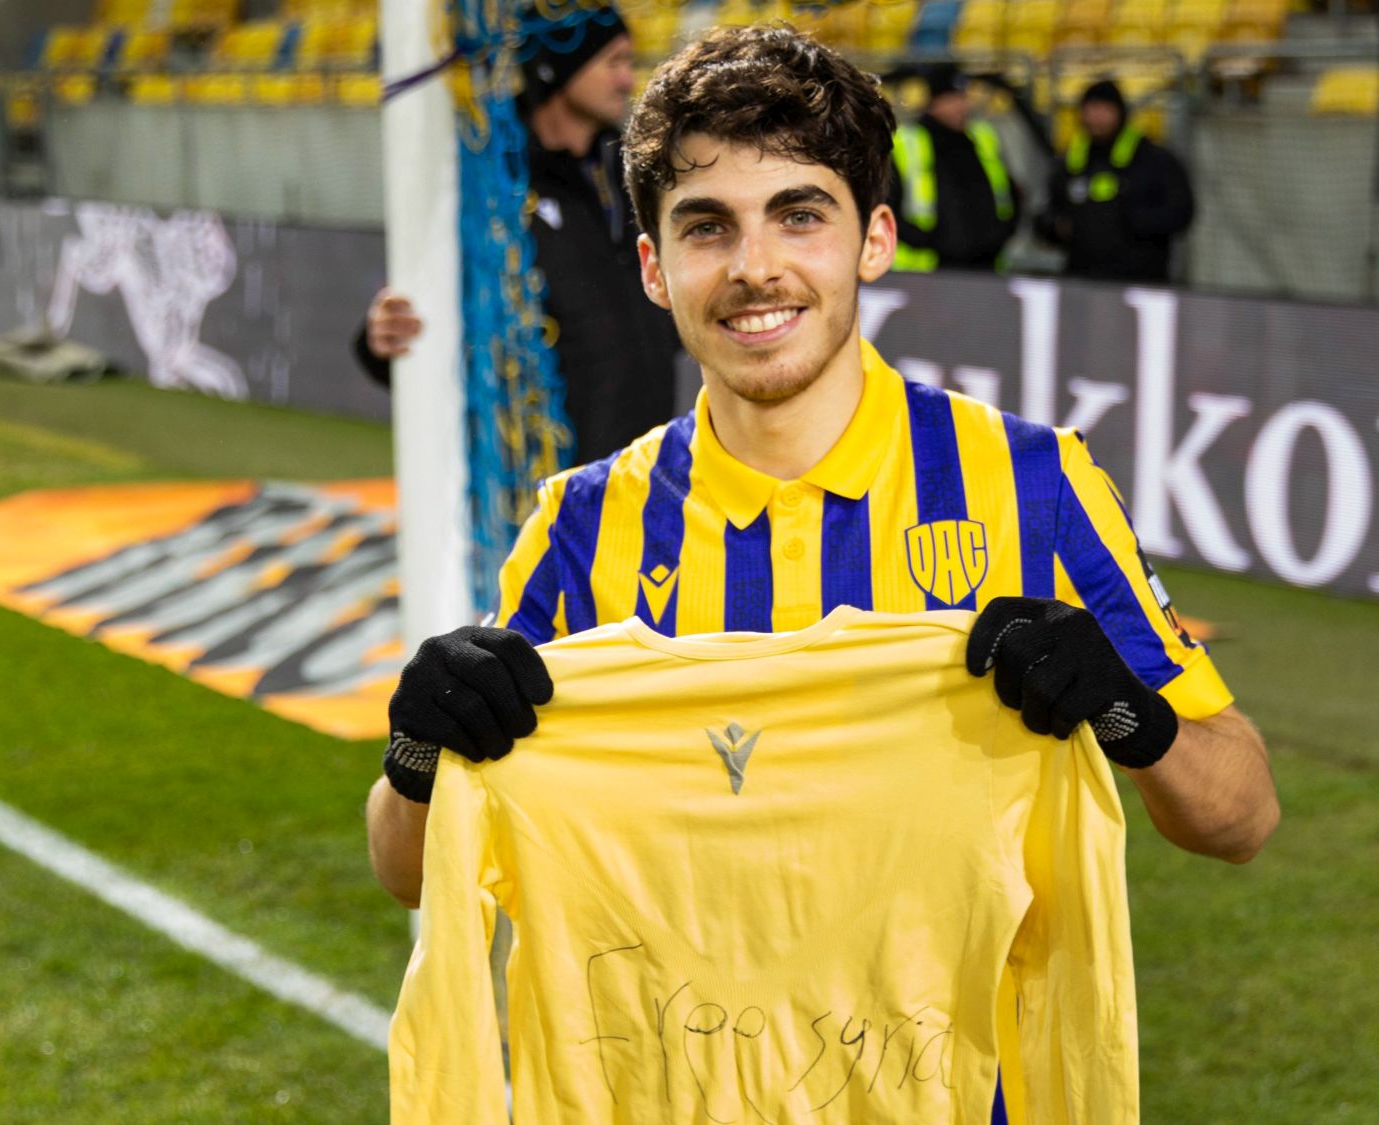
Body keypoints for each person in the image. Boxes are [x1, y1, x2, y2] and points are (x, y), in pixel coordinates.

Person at [370, 24, 1279, 1112]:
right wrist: (417, 751)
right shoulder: (583, 523)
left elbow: (1240, 817)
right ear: (654, 268)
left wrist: (1127, 709)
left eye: (799, 215)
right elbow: (406, 866)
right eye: (707, 227)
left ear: (873, 240)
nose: (754, 267)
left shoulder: (1030, 483)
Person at [355, 2, 681, 464]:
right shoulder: (491, 190)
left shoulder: (632, 175)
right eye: (613, 62)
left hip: (646, 470)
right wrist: (382, 340)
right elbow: (431, 315)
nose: (628, 80)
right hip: (549, 480)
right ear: (559, 67)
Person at [1038, 79, 1196, 284]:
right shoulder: (1071, 161)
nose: (1096, 117)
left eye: (1104, 109)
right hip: (1082, 280)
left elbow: (1180, 212)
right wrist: (1059, 227)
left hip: (1140, 280)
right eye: (1091, 109)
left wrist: (1127, 221)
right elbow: (1046, 214)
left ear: (1120, 113)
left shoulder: (1153, 159)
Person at [886, 62, 1020, 272]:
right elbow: (886, 203)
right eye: (952, 99)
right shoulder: (908, 142)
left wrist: (1002, 233)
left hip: (986, 265)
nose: (961, 106)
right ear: (934, 102)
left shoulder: (982, 137)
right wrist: (920, 239)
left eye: (963, 97)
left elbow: (1009, 191)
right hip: (927, 269)